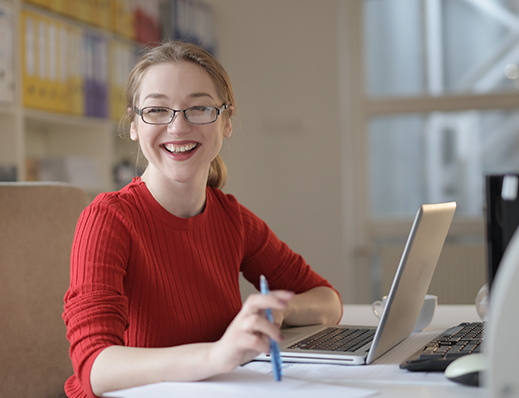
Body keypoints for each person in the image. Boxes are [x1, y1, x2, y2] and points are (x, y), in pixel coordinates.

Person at [62, 41, 343, 398]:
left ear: (226, 122)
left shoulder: (231, 218)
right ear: (134, 125)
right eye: (157, 110)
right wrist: (218, 354)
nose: (178, 127)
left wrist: (276, 312)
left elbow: (328, 302)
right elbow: (94, 368)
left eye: (198, 108)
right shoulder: (108, 220)